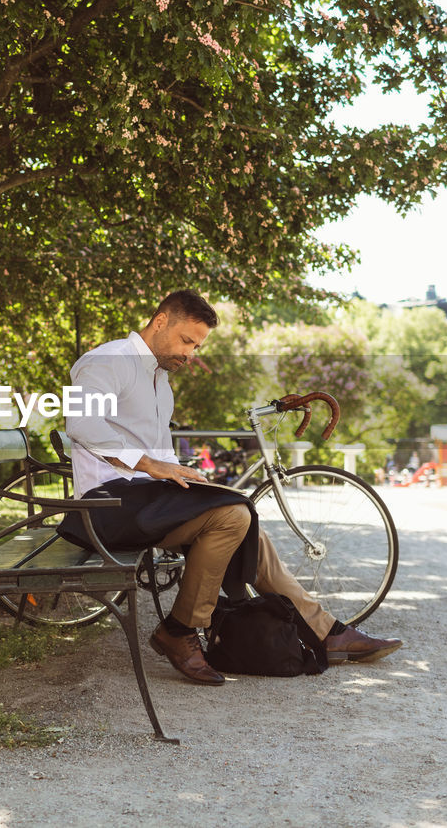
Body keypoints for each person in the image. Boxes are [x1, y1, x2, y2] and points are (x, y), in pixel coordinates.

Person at [62, 290, 402, 685]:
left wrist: (178, 472)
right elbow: (82, 425)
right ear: (160, 322)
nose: (190, 354)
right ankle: (179, 631)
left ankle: (325, 630)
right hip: (108, 504)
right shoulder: (108, 361)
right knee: (232, 515)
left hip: (146, 498)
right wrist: (152, 465)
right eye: (187, 341)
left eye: (197, 345)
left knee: (244, 520)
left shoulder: (158, 378)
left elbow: (153, 449)